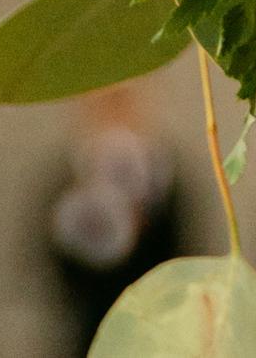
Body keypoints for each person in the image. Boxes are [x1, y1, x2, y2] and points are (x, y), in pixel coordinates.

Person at [45, 96, 183, 354]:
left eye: (122, 101)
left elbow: (181, 256)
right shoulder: (67, 179)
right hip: (86, 328)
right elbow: (53, 262)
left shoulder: (165, 178)